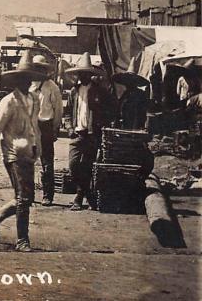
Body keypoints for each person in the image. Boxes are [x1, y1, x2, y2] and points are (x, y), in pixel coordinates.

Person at [0, 50, 48, 252]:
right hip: (12, 154)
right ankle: (22, 240)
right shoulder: (8, 102)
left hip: (28, 154)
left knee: (26, 197)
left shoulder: (34, 101)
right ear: (17, 80)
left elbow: (35, 128)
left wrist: (39, 150)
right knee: (23, 198)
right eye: (24, 79)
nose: (27, 83)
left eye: (30, 79)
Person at [65, 52, 111, 211]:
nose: (82, 76)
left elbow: (109, 112)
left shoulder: (100, 92)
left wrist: (100, 125)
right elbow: (67, 112)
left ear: (90, 75)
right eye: (80, 73)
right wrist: (69, 127)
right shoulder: (74, 91)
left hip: (92, 135)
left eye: (85, 73)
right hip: (77, 133)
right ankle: (89, 196)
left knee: (87, 166)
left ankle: (79, 197)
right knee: (73, 165)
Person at [30, 55, 63, 206]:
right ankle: (28, 193)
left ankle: (48, 195)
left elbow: (58, 111)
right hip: (30, 127)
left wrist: (54, 129)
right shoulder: (28, 85)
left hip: (46, 126)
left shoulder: (52, 87)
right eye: (36, 68)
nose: (38, 71)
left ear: (45, 70)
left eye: (41, 68)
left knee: (47, 162)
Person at [113, 57, 150, 130]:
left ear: (135, 82)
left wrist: (135, 129)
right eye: (127, 81)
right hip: (124, 125)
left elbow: (139, 113)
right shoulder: (125, 94)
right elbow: (120, 110)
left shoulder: (140, 94)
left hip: (134, 126)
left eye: (130, 81)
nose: (128, 83)